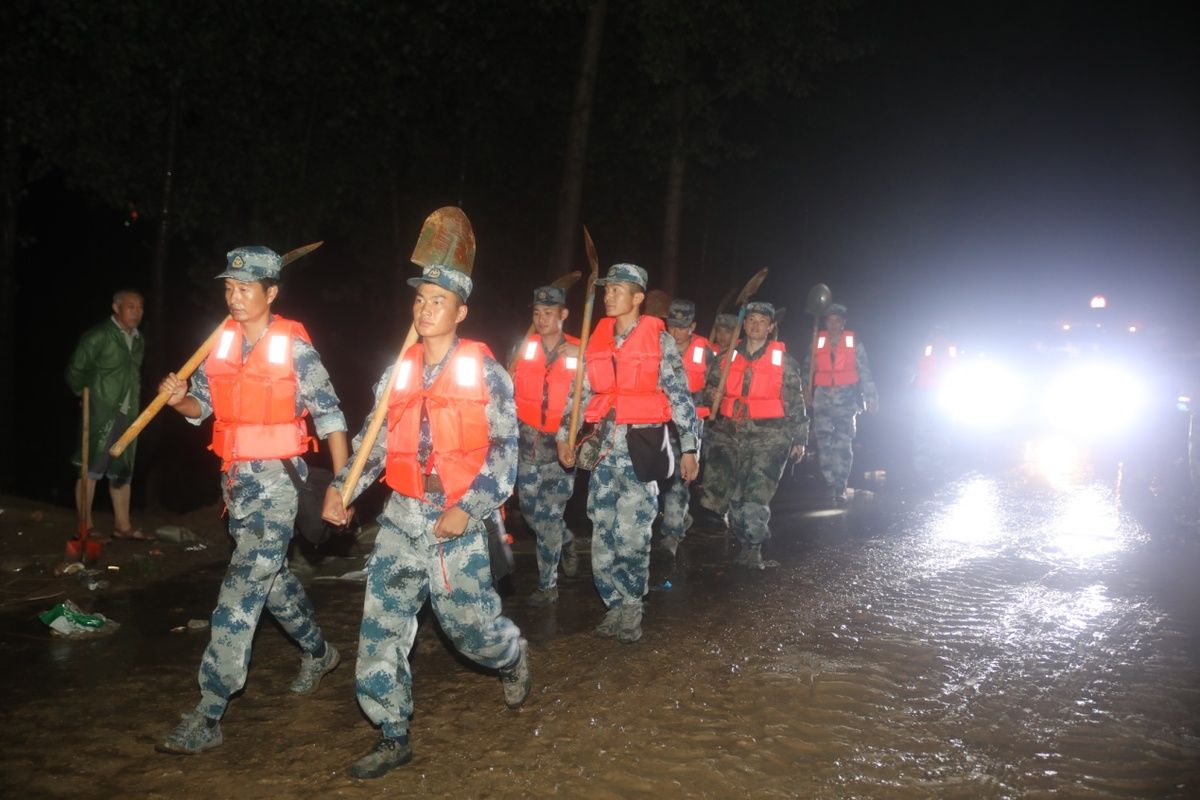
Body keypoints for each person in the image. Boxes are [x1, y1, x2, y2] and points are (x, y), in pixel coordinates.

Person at [322, 264, 530, 780]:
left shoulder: (487, 373)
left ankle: (510, 654)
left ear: (461, 312)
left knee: (468, 632)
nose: (426, 308)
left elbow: (506, 454)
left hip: (455, 516)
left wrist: (469, 506)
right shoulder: (397, 370)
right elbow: (373, 443)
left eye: (439, 300)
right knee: (380, 627)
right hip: (401, 514)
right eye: (420, 299)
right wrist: (341, 488)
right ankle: (391, 731)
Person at [155, 246, 349, 755]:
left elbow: (331, 418)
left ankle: (209, 710)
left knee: (239, 595)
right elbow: (203, 406)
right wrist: (180, 400)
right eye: (229, 288)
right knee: (274, 583)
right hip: (235, 487)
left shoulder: (294, 349)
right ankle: (320, 651)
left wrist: (342, 484)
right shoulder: (218, 344)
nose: (235, 297)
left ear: (272, 292)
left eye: (245, 288)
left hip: (279, 487)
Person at [557, 264, 699, 644]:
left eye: (618, 290)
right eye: (607, 290)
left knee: (634, 533)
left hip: (642, 447)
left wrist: (689, 447)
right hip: (602, 449)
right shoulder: (596, 339)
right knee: (603, 532)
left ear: (638, 298)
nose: (609, 296)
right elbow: (579, 394)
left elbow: (681, 396)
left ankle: (632, 605)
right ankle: (613, 603)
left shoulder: (660, 340)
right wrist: (563, 436)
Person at [700, 302, 807, 569]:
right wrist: (712, 395)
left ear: (771, 327)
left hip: (770, 438)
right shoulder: (726, 359)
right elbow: (710, 389)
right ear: (744, 325)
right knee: (734, 497)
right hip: (731, 435)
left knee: (756, 495)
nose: (756, 325)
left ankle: (754, 547)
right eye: (751, 320)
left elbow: (796, 402)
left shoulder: (782, 361)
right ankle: (748, 536)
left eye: (762, 321)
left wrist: (800, 439)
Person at [511, 285, 580, 605]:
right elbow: (505, 388)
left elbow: (593, 396)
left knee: (549, 517)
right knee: (529, 513)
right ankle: (566, 541)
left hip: (559, 449)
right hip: (526, 446)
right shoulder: (523, 347)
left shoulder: (580, 352)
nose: (541, 319)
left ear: (563, 314)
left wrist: (582, 359)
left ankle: (547, 585)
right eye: (536, 313)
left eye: (548, 313)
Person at [65, 289, 146, 540]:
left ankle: (123, 525)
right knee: (90, 467)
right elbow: (75, 370)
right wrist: (86, 396)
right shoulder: (98, 336)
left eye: (140, 307)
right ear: (116, 307)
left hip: (128, 411)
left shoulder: (138, 339)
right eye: (131, 307)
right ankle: (85, 525)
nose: (137, 312)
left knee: (122, 471)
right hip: (101, 412)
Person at [802, 302, 878, 506]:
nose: (834, 325)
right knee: (824, 443)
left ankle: (840, 485)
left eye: (838, 320)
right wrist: (806, 393)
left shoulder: (855, 343)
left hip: (847, 400)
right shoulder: (817, 342)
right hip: (822, 399)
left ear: (843, 322)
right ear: (826, 322)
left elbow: (865, 372)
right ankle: (830, 483)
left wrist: (871, 398)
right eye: (830, 320)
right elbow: (807, 370)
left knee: (843, 443)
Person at [660, 299, 713, 556]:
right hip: (658, 422)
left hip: (690, 425)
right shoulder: (657, 345)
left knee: (678, 480)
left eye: (682, 327)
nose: (675, 332)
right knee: (658, 477)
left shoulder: (706, 352)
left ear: (692, 327)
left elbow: (717, 383)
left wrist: (709, 404)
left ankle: (671, 533)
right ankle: (680, 517)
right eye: (672, 326)